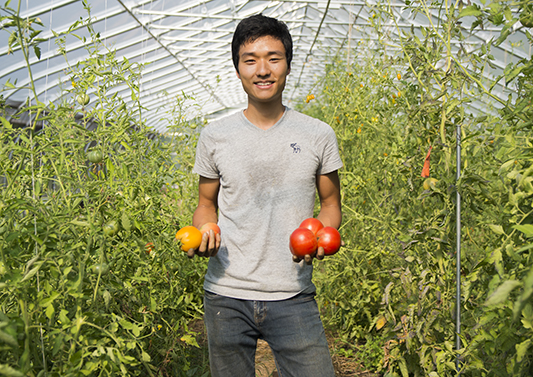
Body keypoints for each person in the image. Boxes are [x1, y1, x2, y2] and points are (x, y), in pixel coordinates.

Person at [189, 13, 343, 377]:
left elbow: (331, 205)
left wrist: (323, 235)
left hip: (293, 294)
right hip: (226, 294)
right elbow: (205, 206)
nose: (263, 70)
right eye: (250, 60)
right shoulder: (216, 136)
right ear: (238, 68)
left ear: (288, 64)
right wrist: (206, 231)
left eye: (273, 58)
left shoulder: (318, 134)